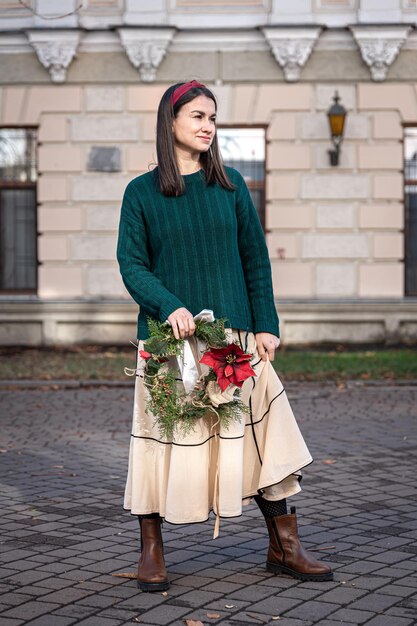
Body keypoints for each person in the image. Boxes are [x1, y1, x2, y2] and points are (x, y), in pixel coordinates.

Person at [116, 79, 333, 593]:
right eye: (197, 117)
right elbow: (131, 265)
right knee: (163, 441)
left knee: (263, 435)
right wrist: (170, 305)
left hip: (233, 340)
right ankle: (151, 550)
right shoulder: (140, 194)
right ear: (170, 122)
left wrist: (266, 325)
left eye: (213, 118)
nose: (208, 126)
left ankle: (285, 546)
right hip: (172, 345)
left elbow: (255, 261)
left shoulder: (231, 186)